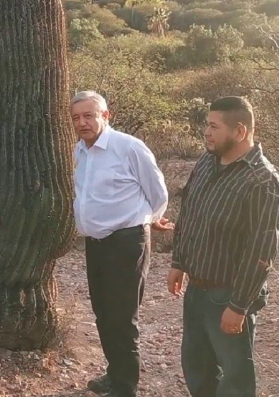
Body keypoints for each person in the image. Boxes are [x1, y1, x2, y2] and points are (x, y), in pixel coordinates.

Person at [167, 96, 279, 397]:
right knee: (197, 367)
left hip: (229, 294)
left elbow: (262, 251)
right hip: (197, 289)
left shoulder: (263, 180)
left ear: (240, 131)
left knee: (235, 379)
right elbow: (190, 211)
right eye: (207, 125)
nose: (206, 132)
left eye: (213, 126)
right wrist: (178, 262)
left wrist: (238, 306)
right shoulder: (207, 160)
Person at [70, 90, 173, 397]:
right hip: (96, 243)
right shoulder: (80, 151)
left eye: (89, 116)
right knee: (103, 313)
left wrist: (148, 218)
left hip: (127, 243)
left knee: (122, 316)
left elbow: (158, 191)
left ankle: (126, 387)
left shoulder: (128, 147)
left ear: (105, 116)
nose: (82, 123)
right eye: (76, 118)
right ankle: (115, 374)